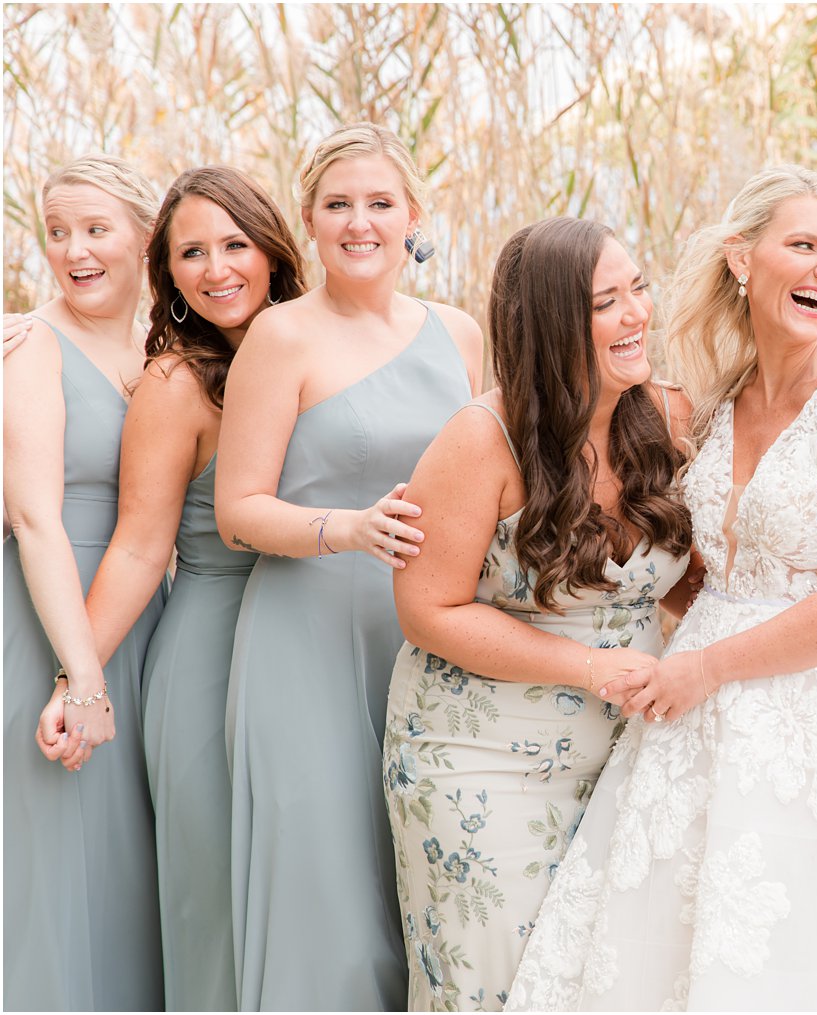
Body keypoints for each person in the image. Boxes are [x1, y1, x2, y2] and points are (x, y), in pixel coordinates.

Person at [508, 166, 817, 1011]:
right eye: (804, 245)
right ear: (743, 258)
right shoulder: (718, 402)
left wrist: (701, 669)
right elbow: (703, 577)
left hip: (808, 722)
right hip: (689, 719)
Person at [382, 216, 694, 1010]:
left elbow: (688, 578)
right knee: (500, 985)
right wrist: (588, 667)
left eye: (639, 291)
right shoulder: (479, 441)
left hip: (627, 758)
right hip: (481, 763)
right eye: (607, 303)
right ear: (554, 325)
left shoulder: (670, 416)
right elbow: (427, 607)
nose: (637, 316)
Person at [216, 122, 482, 1011]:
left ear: (414, 215)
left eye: (379, 203)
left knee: (423, 876)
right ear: (310, 220)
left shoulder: (460, 332)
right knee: (328, 887)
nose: (359, 222)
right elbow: (239, 510)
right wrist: (348, 529)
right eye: (338, 205)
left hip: (436, 633)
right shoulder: (280, 337)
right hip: (309, 632)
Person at [72, 165, 307, 1011]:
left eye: (234, 244)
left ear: (273, 249)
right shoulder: (176, 385)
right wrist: (79, 677)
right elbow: (139, 550)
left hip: (321, 649)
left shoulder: (322, 348)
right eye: (191, 253)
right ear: (166, 274)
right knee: (217, 904)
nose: (217, 269)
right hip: (213, 656)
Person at [3, 154, 166, 1009]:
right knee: (57, 865)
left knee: (131, 867)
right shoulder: (30, 343)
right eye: (57, 231)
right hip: (49, 622)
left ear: (145, 236)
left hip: (146, 623)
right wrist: (84, 674)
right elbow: (34, 518)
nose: (75, 251)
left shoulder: (164, 349)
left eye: (96, 229)